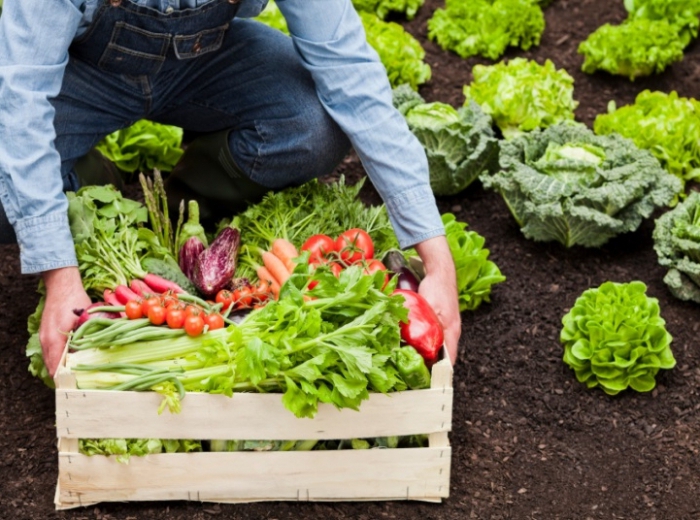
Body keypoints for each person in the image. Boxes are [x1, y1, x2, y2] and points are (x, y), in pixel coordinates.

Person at [0, 0, 461, 377]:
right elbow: (21, 99)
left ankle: (192, 198)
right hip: (82, 74)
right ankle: (89, 189)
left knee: (312, 126)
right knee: (6, 191)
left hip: (203, 63)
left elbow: (351, 73)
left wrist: (437, 260)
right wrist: (60, 275)